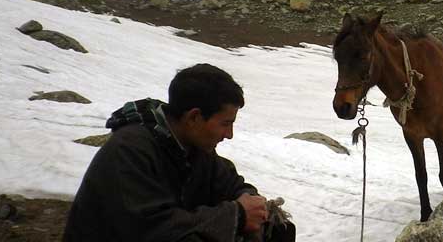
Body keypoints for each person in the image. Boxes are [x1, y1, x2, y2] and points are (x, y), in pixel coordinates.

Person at [63, 63, 295, 242]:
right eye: (225, 123)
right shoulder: (129, 151)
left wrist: (252, 204)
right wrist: (238, 215)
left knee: (278, 230)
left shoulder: (194, 147)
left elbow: (231, 184)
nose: (229, 134)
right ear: (194, 117)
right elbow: (155, 229)